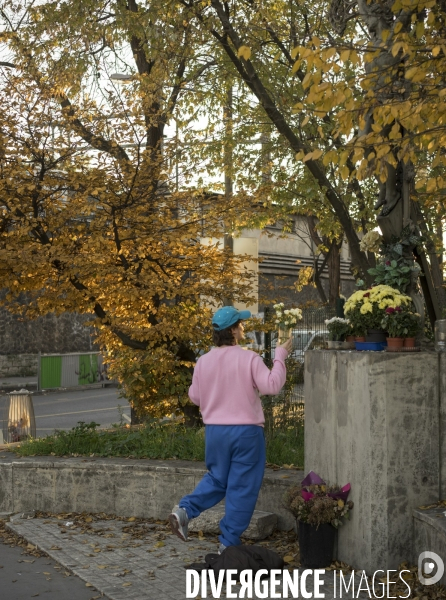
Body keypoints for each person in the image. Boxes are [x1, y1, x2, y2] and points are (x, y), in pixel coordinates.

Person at [168, 305, 292, 554]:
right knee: (242, 486)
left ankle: (184, 511)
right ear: (233, 331)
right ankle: (228, 544)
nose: (243, 328)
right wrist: (280, 356)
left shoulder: (203, 362)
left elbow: (194, 396)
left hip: (215, 432)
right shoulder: (249, 358)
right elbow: (272, 386)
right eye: (241, 325)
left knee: (217, 478)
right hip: (246, 432)